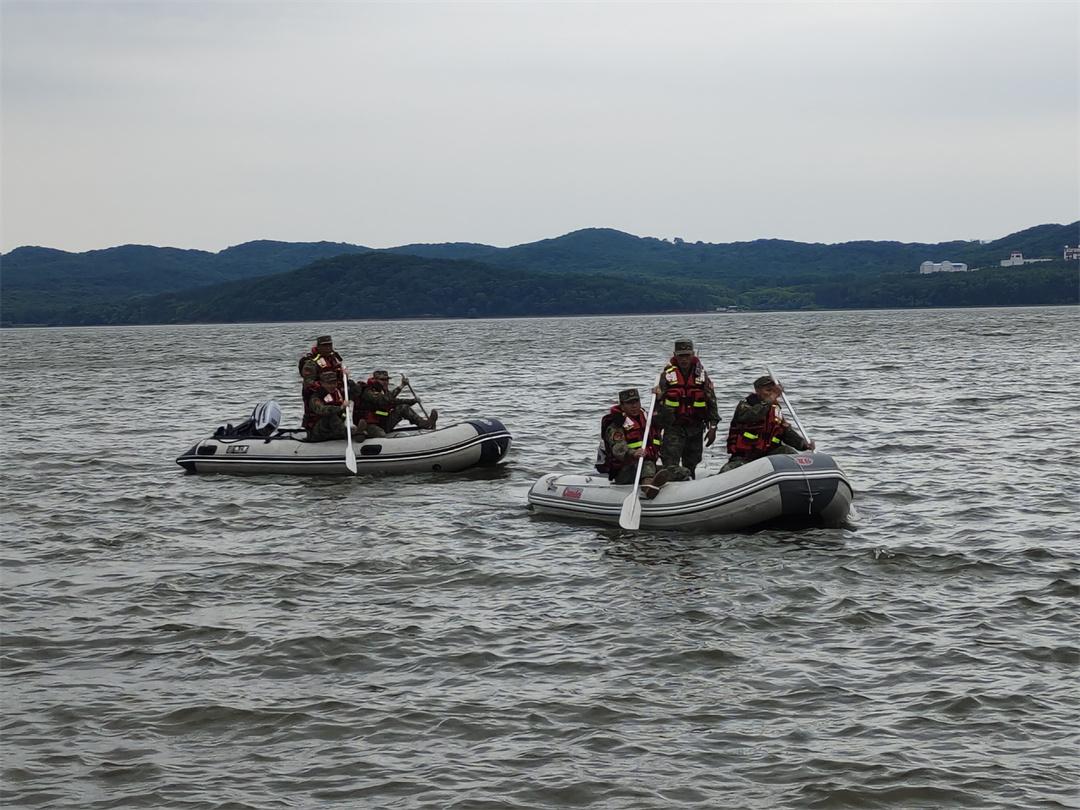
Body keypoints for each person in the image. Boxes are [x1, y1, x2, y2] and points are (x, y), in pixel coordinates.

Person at [596, 387, 689, 498]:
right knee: (647, 464)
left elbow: (668, 420)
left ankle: (666, 487)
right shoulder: (616, 425)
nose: (634, 406)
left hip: (647, 467)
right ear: (622, 406)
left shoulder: (648, 419)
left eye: (636, 401)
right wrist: (633, 453)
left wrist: (660, 400)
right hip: (625, 470)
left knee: (681, 472)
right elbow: (618, 448)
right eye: (629, 403)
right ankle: (648, 489)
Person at [720, 374, 815, 472]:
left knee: (788, 452)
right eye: (768, 390)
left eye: (774, 391)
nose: (771, 394)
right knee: (729, 469)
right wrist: (770, 399)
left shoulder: (775, 410)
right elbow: (752, 416)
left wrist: (803, 444)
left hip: (769, 454)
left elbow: (785, 432)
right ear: (757, 390)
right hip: (746, 455)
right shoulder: (746, 405)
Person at [655, 339, 720, 479]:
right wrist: (657, 429)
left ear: (693, 354)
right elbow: (658, 404)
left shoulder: (702, 375)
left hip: (695, 426)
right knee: (670, 461)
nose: (684, 359)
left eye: (687, 355)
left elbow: (711, 401)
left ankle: (690, 483)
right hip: (674, 426)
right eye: (681, 356)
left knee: (692, 462)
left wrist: (713, 427)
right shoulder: (666, 375)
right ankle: (666, 480)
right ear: (675, 355)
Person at [357, 369, 438, 437]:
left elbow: (394, 401)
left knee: (403, 408)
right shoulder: (368, 392)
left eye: (387, 380)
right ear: (375, 380)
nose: (386, 382)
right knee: (381, 434)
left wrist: (413, 401)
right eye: (382, 380)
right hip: (370, 424)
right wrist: (401, 386)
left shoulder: (383, 391)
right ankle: (362, 434)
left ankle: (425, 424)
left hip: (383, 421)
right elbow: (384, 400)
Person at [299, 335, 346, 428]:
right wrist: (324, 389)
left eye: (329, 345)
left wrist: (343, 376)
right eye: (324, 346)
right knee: (321, 412)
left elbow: (338, 374)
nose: (328, 348)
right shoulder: (312, 362)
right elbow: (308, 382)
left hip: (334, 391)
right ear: (319, 346)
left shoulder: (334, 359)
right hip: (319, 393)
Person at [305, 369, 351, 442]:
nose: (332, 386)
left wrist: (347, 379)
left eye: (334, 383)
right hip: (318, 431)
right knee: (330, 415)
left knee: (349, 409)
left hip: (332, 428)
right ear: (322, 383)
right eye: (329, 383)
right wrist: (340, 407)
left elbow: (356, 392)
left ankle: (352, 430)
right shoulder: (316, 396)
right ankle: (345, 433)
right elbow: (321, 410)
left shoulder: (338, 392)